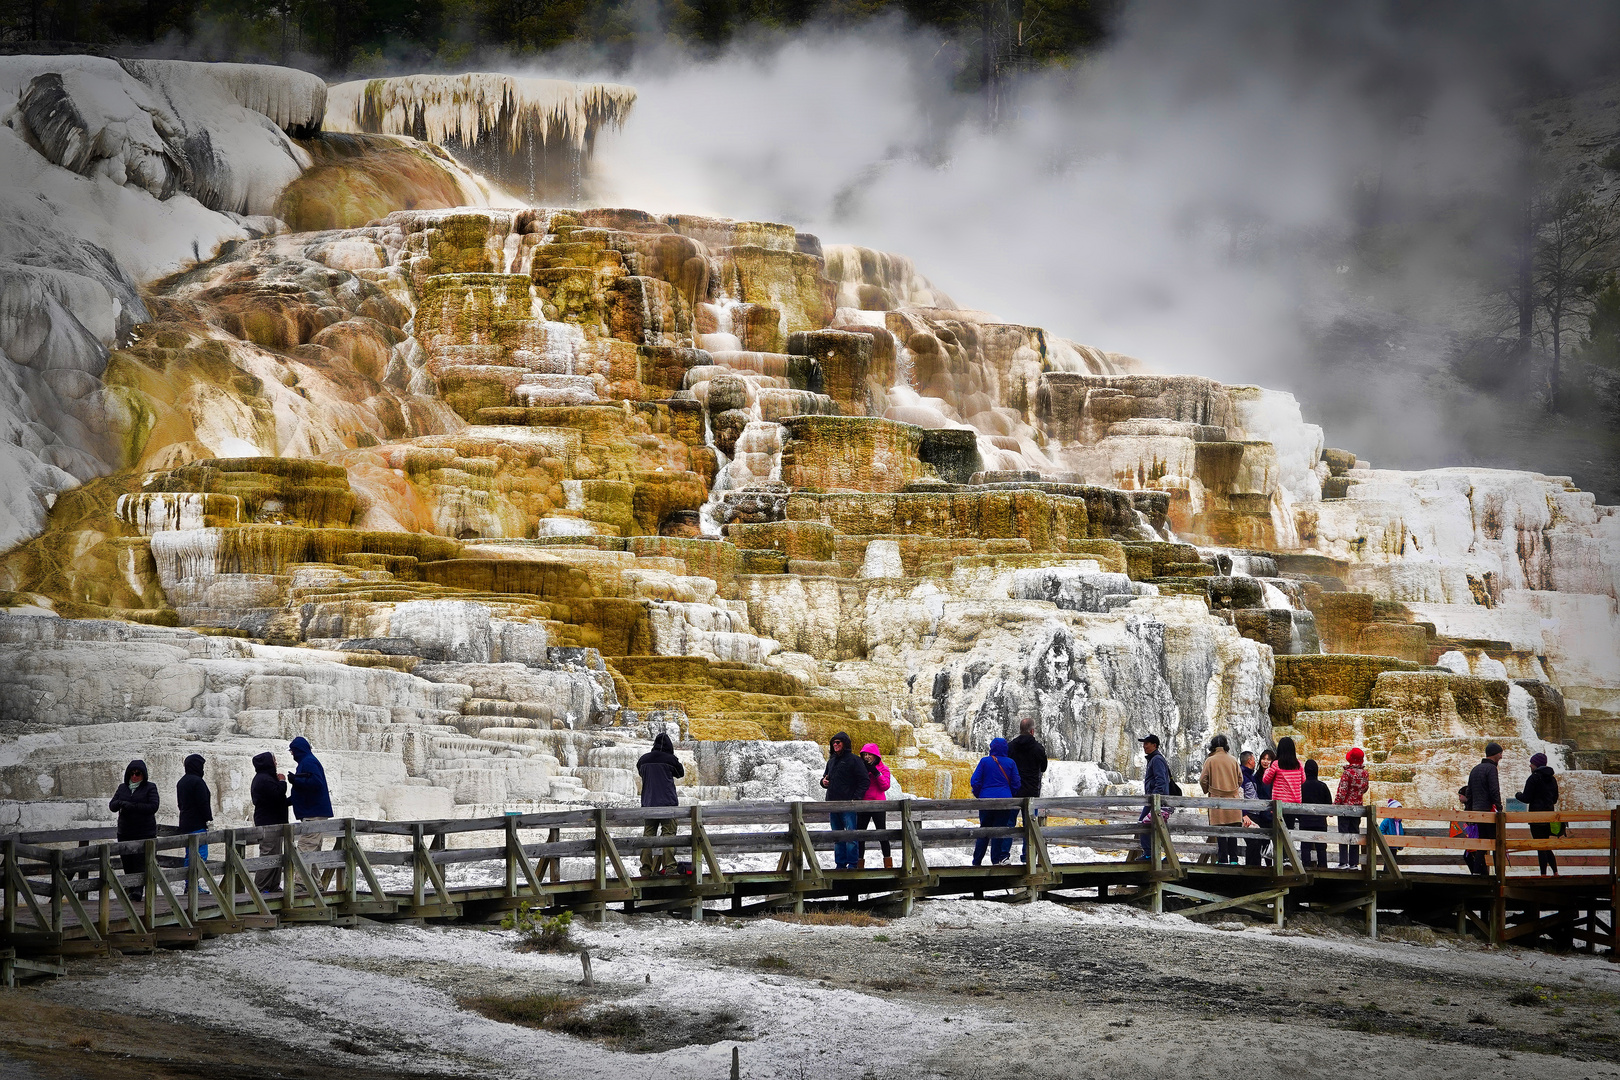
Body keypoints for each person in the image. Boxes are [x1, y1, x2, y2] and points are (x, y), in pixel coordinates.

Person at [108, 759, 159, 903]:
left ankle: (138, 891)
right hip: (125, 832)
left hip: (143, 832)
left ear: (143, 775)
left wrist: (133, 806)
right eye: (132, 774)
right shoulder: (122, 788)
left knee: (140, 862)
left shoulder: (150, 787)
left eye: (138, 773)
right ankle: (131, 889)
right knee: (127, 862)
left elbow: (153, 807)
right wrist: (119, 803)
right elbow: (112, 805)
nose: (135, 776)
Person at [637, 732, 685, 877]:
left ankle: (645, 869)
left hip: (648, 803)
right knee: (668, 835)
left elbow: (641, 772)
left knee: (648, 836)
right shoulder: (670, 760)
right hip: (667, 804)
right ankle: (670, 867)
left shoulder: (643, 760)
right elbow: (680, 773)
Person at [820, 732, 870, 870]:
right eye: (833, 743)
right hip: (832, 803)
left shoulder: (854, 760)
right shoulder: (831, 761)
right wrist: (823, 782)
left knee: (851, 836)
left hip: (848, 804)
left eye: (838, 742)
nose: (835, 745)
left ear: (845, 743)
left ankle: (853, 865)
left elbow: (864, 780)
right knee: (837, 836)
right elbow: (825, 778)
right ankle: (840, 865)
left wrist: (856, 798)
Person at [970, 737, 1022, 866]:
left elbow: (975, 781)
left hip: (986, 800)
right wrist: (1009, 794)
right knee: (1000, 829)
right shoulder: (1011, 763)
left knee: (984, 829)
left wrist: (980, 795)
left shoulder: (984, 762)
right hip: (1004, 801)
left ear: (991, 748)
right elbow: (1016, 783)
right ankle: (996, 860)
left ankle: (977, 861)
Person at [1007, 718, 1048, 860]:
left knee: (1009, 824)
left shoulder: (1011, 746)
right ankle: (1027, 857)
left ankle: (1003, 855)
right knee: (1030, 825)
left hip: (1014, 792)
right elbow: (1043, 767)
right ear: (1032, 731)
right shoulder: (1038, 748)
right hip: (1031, 793)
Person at [1198, 734, 1243, 864]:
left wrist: (1208, 789)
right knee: (1232, 829)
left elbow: (1203, 780)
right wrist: (1233, 788)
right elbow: (1240, 779)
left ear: (1212, 746)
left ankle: (1222, 859)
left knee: (1220, 829)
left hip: (1216, 799)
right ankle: (1234, 859)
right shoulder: (1233, 759)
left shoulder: (1210, 760)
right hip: (1233, 799)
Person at [250, 751, 290, 894]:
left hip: (273, 821)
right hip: (268, 823)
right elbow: (277, 794)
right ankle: (260, 888)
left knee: (276, 856)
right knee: (268, 856)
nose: (276, 763)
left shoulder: (265, 778)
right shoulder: (263, 779)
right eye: (274, 760)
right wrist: (283, 781)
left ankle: (273, 886)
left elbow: (277, 800)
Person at [287, 736, 333, 856]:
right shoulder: (307, 761)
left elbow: (317, 783)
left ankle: (301, 875)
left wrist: (295, 781)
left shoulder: (308, 762)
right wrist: (289, 801)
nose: (291, 753)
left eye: (292, 750)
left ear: (298, 750)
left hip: (313, 814)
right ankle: (313, 876)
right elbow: (306, 790)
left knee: (304, 851)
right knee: (314, 854)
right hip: (315, 812)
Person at [1516, 752, 1560, 877]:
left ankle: (1543, 875)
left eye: (1532, 763)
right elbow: (1555, 799)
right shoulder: (1552, 779)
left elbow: (1527, 798)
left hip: (1536, 817)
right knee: (1546, 844)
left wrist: (1517, 795)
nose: (1530, 766)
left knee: (1540, 846)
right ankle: (1555, 872)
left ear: (1536, 764)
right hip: (1549, 817)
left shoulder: (1534, 778)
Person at [1464, 742, 1504, 876]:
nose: (1501, 757)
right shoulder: (1491, 769)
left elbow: (1469, 793)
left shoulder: (1475, 769)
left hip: (1477, 811)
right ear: (1494, 754)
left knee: (1482, 841)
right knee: (1495, 842)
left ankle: (1476, 872)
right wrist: (1499, 807)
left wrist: (1469, 811)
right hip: (1488, 812)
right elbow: (1494, 790)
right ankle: (1499, 874)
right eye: (1500, 753)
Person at [175, 753, 213, 887]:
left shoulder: (181, 782)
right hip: (197, 824)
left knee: (189, 855)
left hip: (185, 823)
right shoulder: (198, 781)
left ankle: (189, 884)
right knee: (200, 856)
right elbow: (203, 803)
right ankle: (192, 884)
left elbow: (180, 804)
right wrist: (209, 819)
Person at [856, 743, 893, 869]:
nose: (867, 757)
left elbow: (885, 786)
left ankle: (888, 863)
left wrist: (876, 773)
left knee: (882, 833)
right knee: (860, 835)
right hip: (863, 804)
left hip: (878, 805)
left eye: (869, 754)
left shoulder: (883, 769)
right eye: (864, 755)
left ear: (875, 756)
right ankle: (859, 864)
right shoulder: (860, 769)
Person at [1335, 747, 1370, 869]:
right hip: (1357, 808)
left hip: (1345, 808)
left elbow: (1342, 791)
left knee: (1343, 834)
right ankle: (1354, 863)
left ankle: (1343, 862)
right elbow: (1365, 789)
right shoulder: (1365, 773)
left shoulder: (1347, 773)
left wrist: (1336, 805)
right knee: (1355, 833)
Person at [1137, 733, 1171, 860]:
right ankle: (1167, 854)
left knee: (1143, 823)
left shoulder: (1156, 759)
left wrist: (1155, 797)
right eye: (1143, 744)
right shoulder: (1154, 759)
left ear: (1154, 745)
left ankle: (1149, 854)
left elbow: (1161, 781)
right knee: (1160, 826)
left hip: (1156, 800)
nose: (1144, 746)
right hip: (1156, 799)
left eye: (1146, 743)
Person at [1243, 748, 1275, 867]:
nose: (1265, 762)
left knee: (1273, 841)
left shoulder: (1274, 775)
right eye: (1263, 759)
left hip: (1271, 813)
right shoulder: (1255, 776)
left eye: (1268, 759)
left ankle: (1272, 866)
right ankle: (1265, 865)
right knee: (1261, 841)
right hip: (1258, 814)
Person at [1297, 759, 1332, 869]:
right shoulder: (1323, 786)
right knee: (1321, 846)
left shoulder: (1301, 787)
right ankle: (1323, 867)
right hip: (1320, 822)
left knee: (1305, 846)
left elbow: (1297, 804)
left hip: (1305, 822)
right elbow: (1329, 804)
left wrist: (1301, 817)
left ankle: (1306, 867)